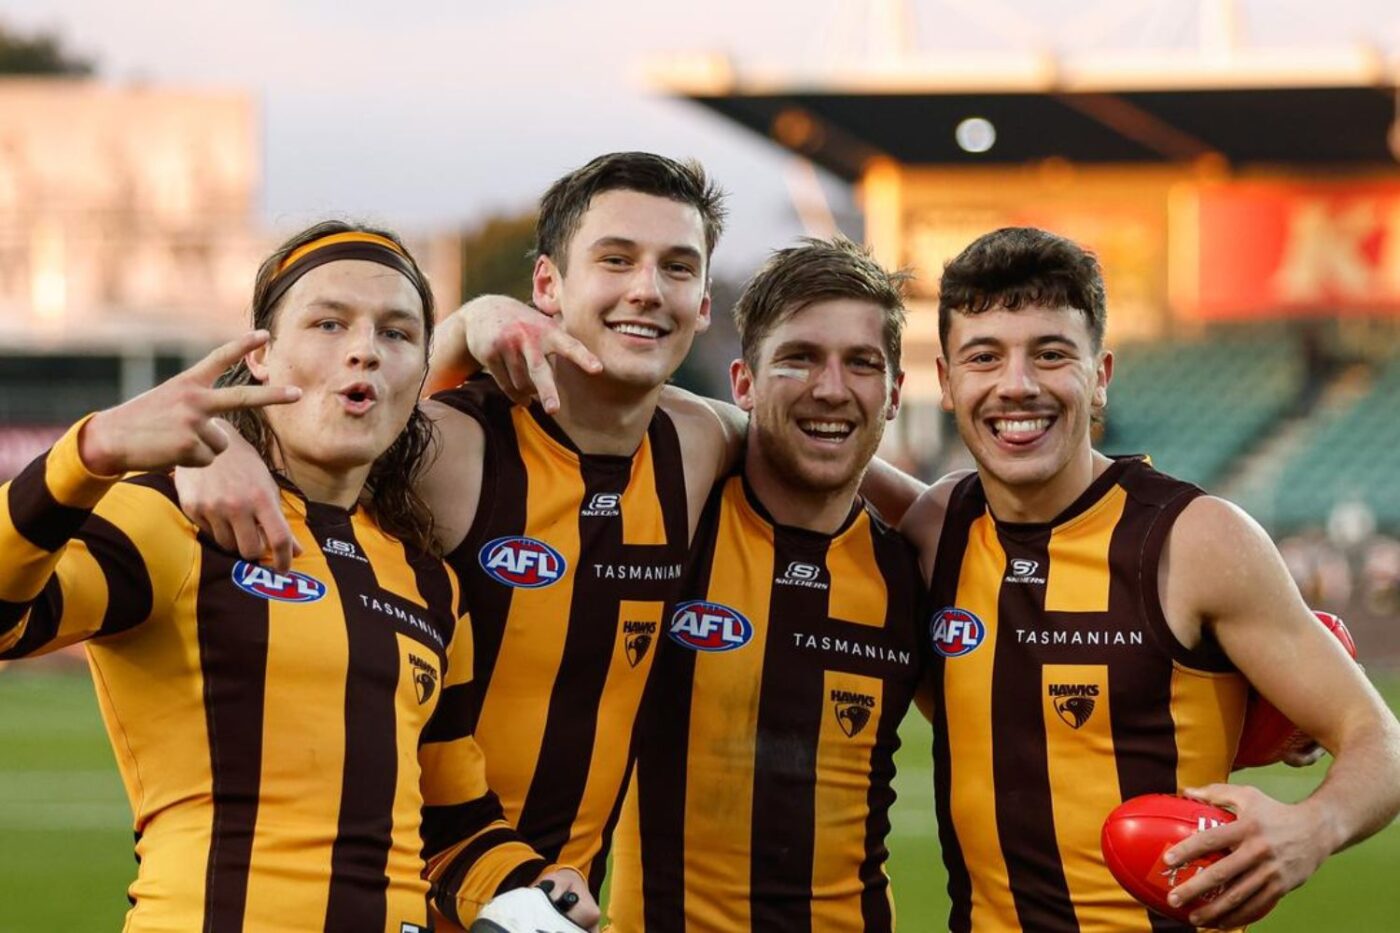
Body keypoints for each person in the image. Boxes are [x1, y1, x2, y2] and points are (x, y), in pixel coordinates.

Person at [176, 154, 746, 916]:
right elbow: (319, 405)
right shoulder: (451, 445)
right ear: (546, 285)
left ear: (704, 301)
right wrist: (208, 447)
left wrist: (937, 505)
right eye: (616, 259)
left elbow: (824, 455)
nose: (647, 287)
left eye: (677, 267)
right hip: (398, 898)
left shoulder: (700, 442)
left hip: (553, 907)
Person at [0, 222, 595, 931]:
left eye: (398, 333)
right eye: (327, 322)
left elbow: (451, 822)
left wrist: (534, 884)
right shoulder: (171, 515)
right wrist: (88, 452)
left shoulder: (432, 582)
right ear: (261, 356)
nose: (364, 349)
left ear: (418, 380)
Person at [897, 226, 1400, 931]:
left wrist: (1309, 829)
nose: (1017, 385)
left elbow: (1381, 738)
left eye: (1051, 354)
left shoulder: (1195, 539)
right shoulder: (934, 527)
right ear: (946, 382)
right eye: (984, 357)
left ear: (1100, 375)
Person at [606, 237, 926, 932]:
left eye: (862, 364)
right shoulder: (667, 532)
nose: (832, 388)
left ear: (895, 392)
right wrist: (469, 325)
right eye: (799, 357)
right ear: (743, 384)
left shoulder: (920, 572)